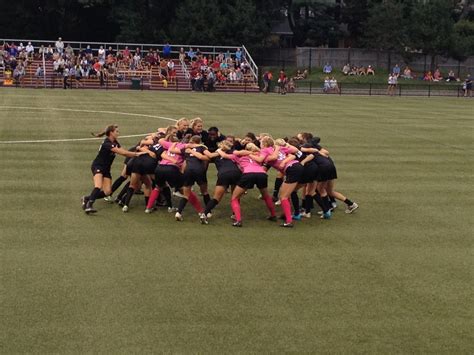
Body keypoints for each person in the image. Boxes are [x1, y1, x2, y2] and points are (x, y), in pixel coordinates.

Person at [81, 125, 144, 214]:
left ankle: (86, 198)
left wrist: (137, 153)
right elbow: (122, 152)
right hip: (98, 166)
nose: (118, 133)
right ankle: (89, 205)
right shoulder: (107, 143)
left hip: (106, 169)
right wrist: (137, 154)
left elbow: (125, 153)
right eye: (116, 131)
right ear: (111, 133)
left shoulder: (115, 142)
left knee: (107, 192)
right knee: (98, 186)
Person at [218, 143, 276, 227]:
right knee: (266, 196)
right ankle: (273, 215)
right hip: (262, 174)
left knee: (234, 198)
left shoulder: (239, 156)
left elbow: (225, 156)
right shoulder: (258, 154)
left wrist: (219, 150)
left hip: (248, 174)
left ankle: (238, 220)